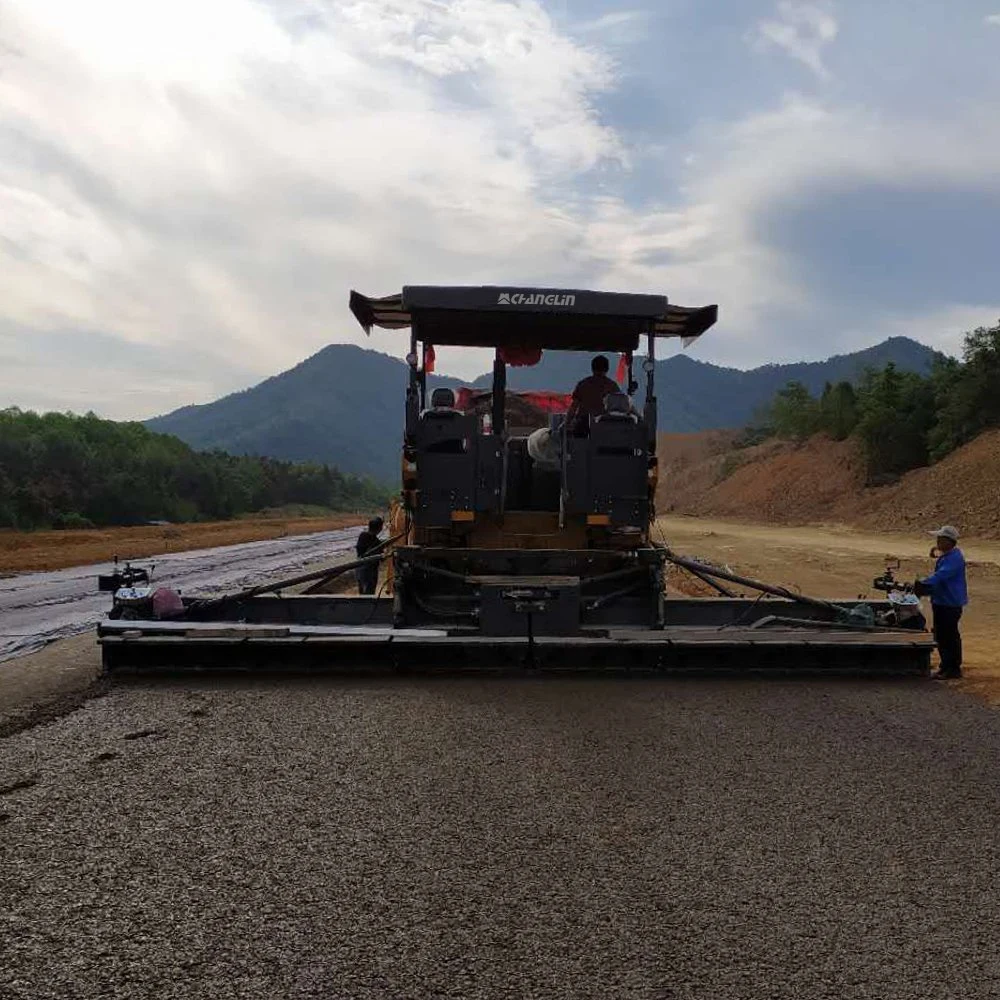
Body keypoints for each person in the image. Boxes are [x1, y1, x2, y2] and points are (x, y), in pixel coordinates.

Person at [916, 525, 968, 680]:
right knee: (942, 634)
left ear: (948, 541)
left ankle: (952, 669)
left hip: (949, 603)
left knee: (948, 636)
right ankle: (946, 666)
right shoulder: (949, 555)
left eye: (940, 539)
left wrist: (923, 584)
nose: (937, 541)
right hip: (943, 600)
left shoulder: (954, 559)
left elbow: (941, 576)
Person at [567, 355, 619, 434]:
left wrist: (567, 423)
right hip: (605, 426)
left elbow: (574, 407)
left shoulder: (583, 385)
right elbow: (619, 407)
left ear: (592, 368)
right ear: (607, 369)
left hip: (583, 426)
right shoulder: (612, 387)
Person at [355, 517, 384, 595]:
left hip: (361, 569)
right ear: (379, 528)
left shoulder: (363, 536)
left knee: (364, 593)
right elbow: (381, 557)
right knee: (368, 593)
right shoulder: (376, 542)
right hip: (368, 571)